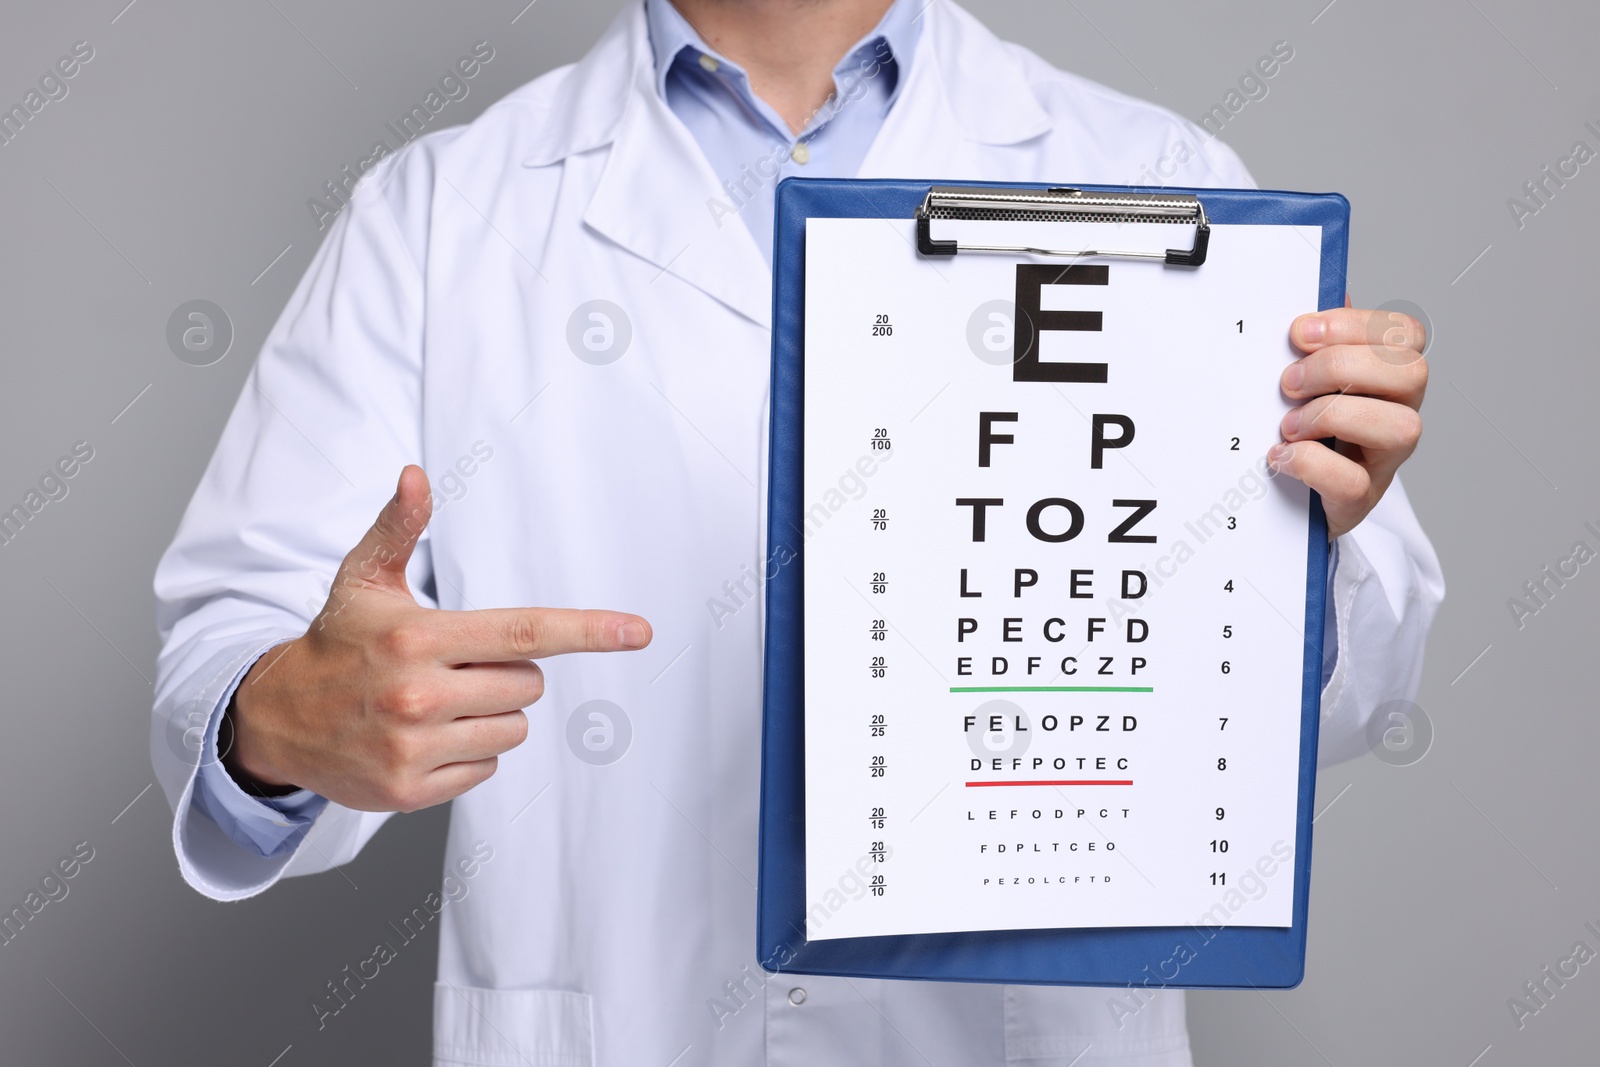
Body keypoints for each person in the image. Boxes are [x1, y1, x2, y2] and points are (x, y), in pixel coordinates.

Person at [151, 1, 1444, 1063]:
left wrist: (1326, 523)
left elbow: (1318, 716)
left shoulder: (1161, 183)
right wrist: (277, 720)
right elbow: (247, 632)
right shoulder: (440, 211)